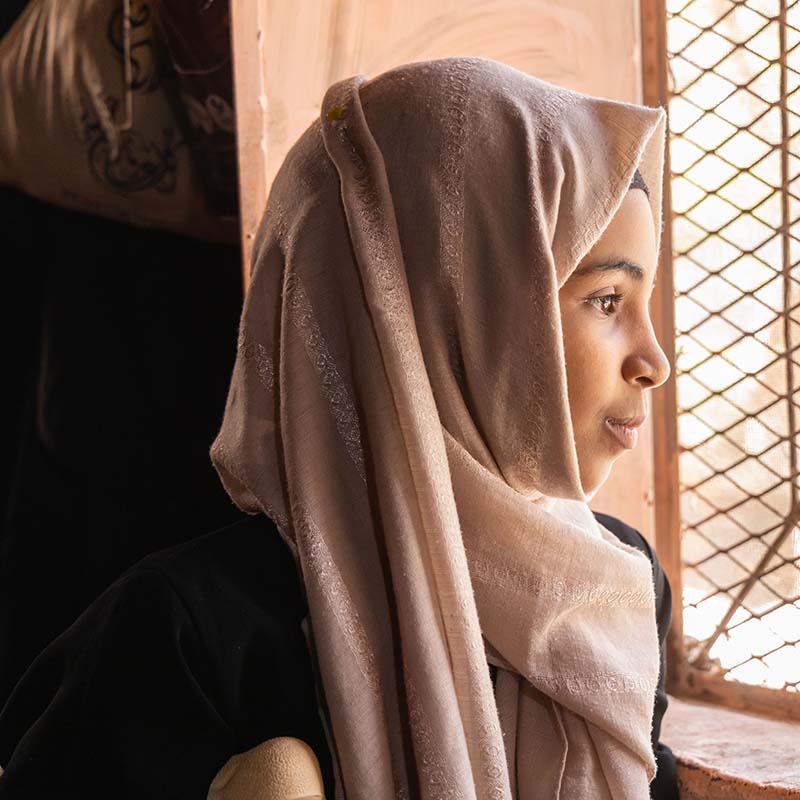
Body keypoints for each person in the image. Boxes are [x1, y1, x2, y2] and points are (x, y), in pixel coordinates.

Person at [0, 56, 680, 798]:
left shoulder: (615, 586)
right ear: (450, 309)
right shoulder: (191, 639)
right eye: (608, 300)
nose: (655, 360)